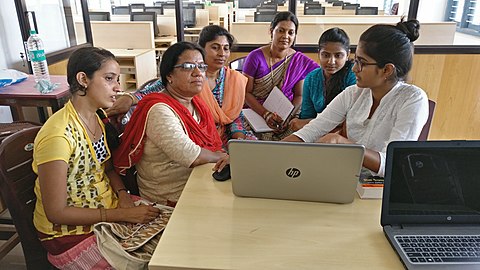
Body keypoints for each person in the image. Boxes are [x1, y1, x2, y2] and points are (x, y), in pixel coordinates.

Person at [33, 47, 160, 269]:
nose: (118, 88)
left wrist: (123, 195)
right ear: (83, 79)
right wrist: (122, 214)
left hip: (105, 207)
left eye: (117, 79)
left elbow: (107, 168)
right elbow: (56, 212)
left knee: (169, 230)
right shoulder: (58, 135)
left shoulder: (96, 118)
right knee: (152, 262)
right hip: (68, 235)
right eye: (109, 78)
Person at [284, 19, 429, 177]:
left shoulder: (412, 100)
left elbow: (393, 164)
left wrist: (342, 142)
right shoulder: (353, 93)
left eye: (362, 63)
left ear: (387, 70)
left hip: (380, 190)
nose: (354, 68)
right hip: (347, 176)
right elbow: (312, 131)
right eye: (356, 60)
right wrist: (269, 153)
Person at [113, 42, 228, 206]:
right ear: (169, 76)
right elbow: (191, 155)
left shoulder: (196, 104)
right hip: (170, 199)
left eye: (202, 67)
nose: (198, 73)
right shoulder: (160, 111)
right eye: (188, 67)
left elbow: (212, 144)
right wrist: (225, 157)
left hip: (201, 180)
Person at [242, 11, 319, 140]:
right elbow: (246, 93)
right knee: (255, 142)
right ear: (271, 31)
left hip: (285, 115)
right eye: (281, 31)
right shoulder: (255, 57)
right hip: (255, 112)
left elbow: (299, 95)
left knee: (298, 139)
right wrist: (265, 114)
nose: (285, 36)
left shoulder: (298, 60)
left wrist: (288, 117)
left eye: (290, 32)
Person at [197, 25, 256, 148]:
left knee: (256, 154)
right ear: (201, 49)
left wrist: (238, 139)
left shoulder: (234, 79)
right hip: (198, 139)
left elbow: (235, 116)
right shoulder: (191, 76)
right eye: (215, 47)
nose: (221, 54)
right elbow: (148, 93)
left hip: (228, 136)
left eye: (226, 48)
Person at [289, 27, 356, 131]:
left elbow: (349, 120)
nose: (331, 61)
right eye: (326, 55)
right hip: (318, 131)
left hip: (345, 133)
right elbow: (306, 115)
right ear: (319, 53)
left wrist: (308, 123)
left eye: (338, 55)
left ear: (347, 54)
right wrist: (305, 123)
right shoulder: (311, 78)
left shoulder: (353, 75)